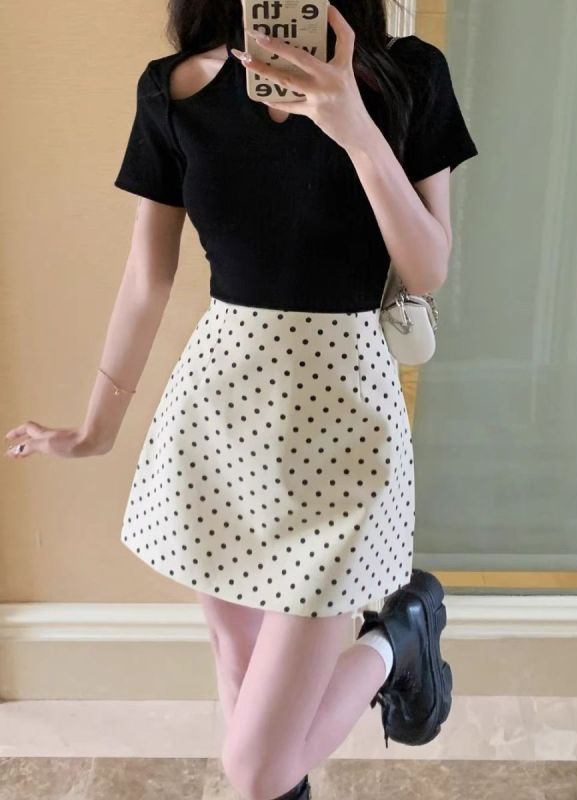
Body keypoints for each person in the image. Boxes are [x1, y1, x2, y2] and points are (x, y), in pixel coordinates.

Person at [5, 2, 478, 798]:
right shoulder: (174, 91)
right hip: (218, 421)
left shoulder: (407, 77)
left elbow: (427, 267)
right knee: (238, 667)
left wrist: (354, 128)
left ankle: (396, 639)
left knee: (254, 767)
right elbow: (147, 278)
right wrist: (95, 428)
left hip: (345, 430)